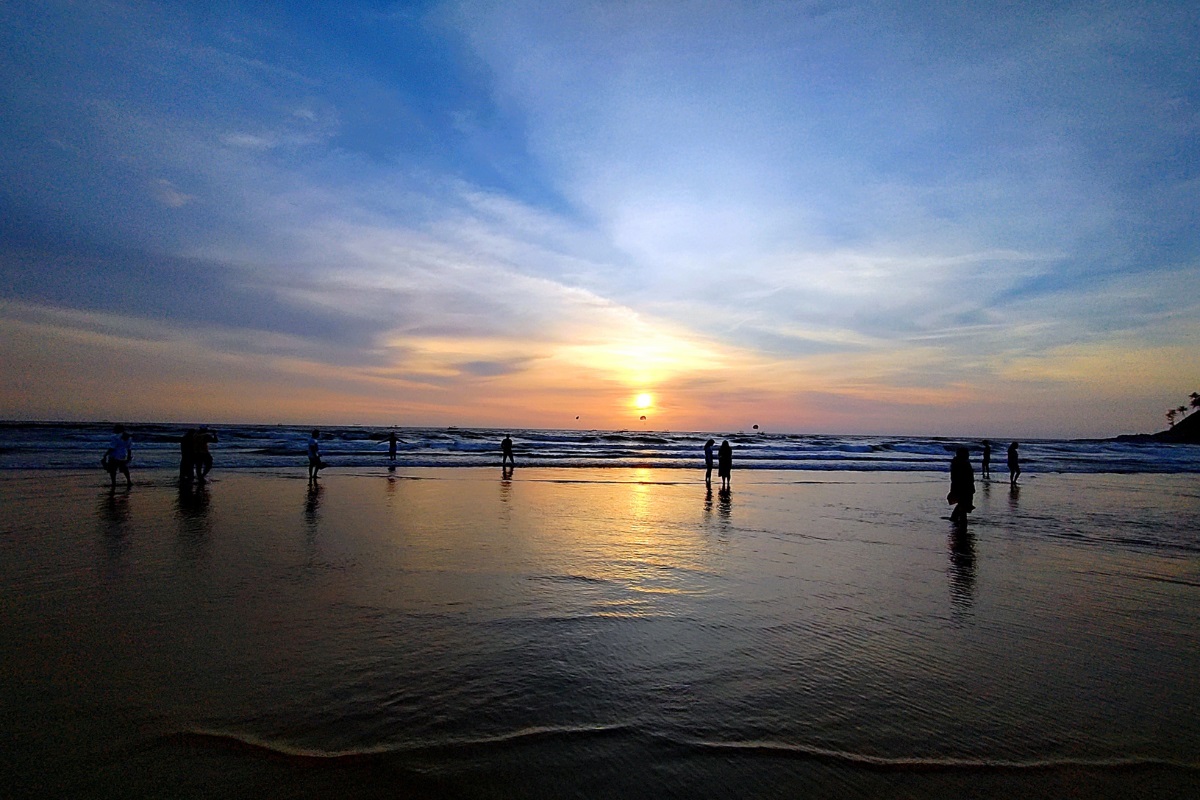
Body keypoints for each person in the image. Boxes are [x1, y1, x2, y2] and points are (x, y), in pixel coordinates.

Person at [948, 447, 975, 523]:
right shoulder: (961, 463)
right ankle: (959, 521)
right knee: (963, 505)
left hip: (963, 487)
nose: (968, 455)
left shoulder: (958, 463)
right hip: (963, 487)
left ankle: (956, 520)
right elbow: (960, 478)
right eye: (967, 453)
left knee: (962, 505)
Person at [103, 424, 133, 488]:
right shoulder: (129, 437)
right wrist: (129, 456)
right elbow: (129, 448)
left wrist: (105, 455)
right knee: (124, 469)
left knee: (113, 470)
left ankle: (113, 483)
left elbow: (112, 448)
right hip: (123, 455)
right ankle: (129, 481)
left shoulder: (115, 437)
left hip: (114, 455)